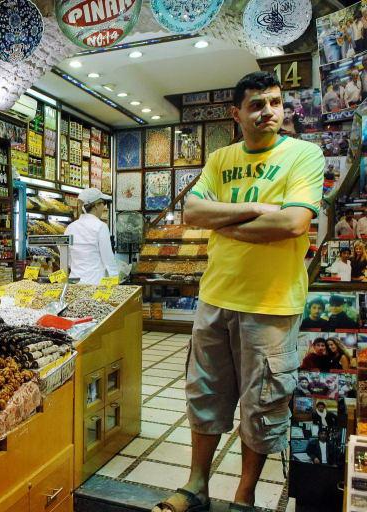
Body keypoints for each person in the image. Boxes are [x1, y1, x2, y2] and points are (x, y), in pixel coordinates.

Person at [152, 72, 324, 512]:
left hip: (271, 304)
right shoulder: (221, 158)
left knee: (263, 404)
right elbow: (193, 211)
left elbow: (293, 223)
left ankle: (243, 497)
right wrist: (254, 209)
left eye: (275, 102)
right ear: (236, 113)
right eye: (256, 104)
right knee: (205, 394)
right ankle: (196, 486)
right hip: (215, 298)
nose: (268, 111)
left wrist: (225, 223)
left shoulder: (304, 154)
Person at [59, 188, 118, 285]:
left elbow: (66, 255)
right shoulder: (100, 227)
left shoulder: (70, 227)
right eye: (103, 203)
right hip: (95, 283)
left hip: (75, 282)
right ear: (96, 206)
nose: (104, 207)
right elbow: (108, 259)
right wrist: (115, 279)